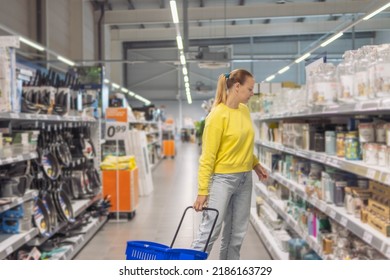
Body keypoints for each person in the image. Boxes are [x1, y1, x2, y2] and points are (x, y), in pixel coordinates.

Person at [191, 69, 268, 260]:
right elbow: (207, 157)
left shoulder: (244, 110)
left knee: (236, 235)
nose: (252, 93)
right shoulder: (217, 116)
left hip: (244, 179)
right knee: (209, 232)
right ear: (237, 87)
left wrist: (256, 164)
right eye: (250, 89)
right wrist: (202, 191)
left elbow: (244, 144)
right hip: (222, 181)